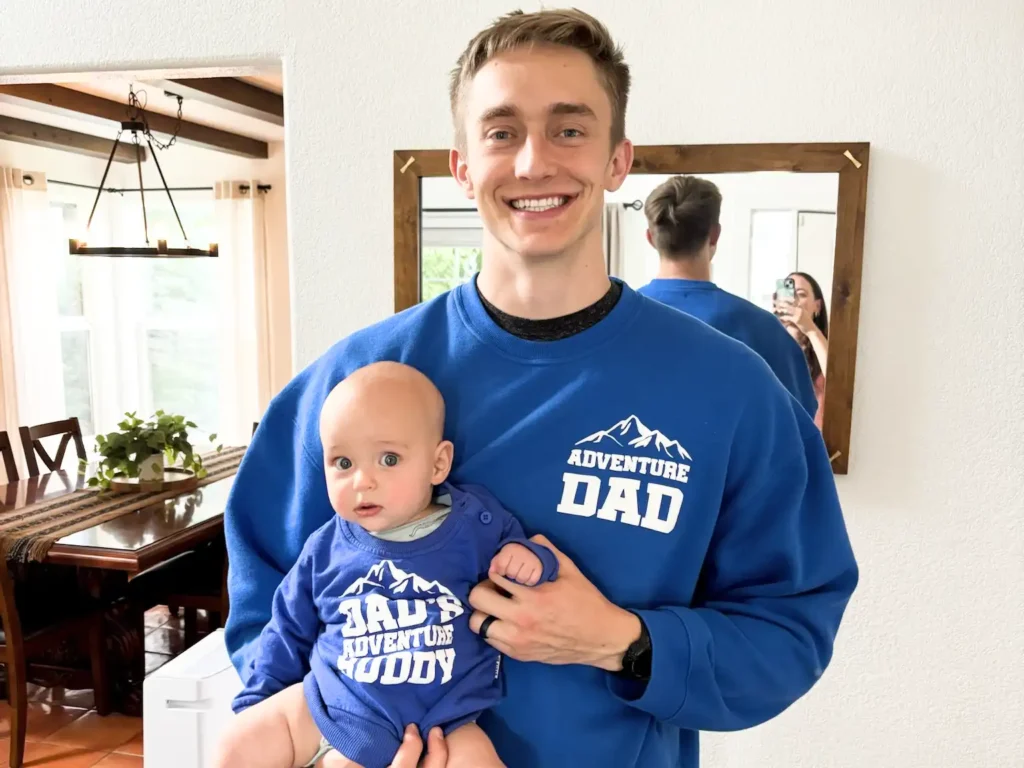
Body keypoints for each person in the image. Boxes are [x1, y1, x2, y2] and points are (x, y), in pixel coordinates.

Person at [224, 8, 858, 768]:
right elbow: (270, 611)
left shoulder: (730, 391)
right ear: (462, 167)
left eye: (569, 129)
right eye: (500, 132)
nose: (533, 163)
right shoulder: (353, 383)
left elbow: (790, 629)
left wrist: (623, 641)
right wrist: (331, 751)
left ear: (619, 160)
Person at [215, 362, 557, 768]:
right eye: (343, 463)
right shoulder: (324, 547)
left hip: (442, 726)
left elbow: (529, 556)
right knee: (234, 746)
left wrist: (532, 560)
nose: (362, 480)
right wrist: (258, 703)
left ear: (437, 464)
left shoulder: (475, 524)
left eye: (389, 459)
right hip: (326, 708)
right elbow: (286, 629)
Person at [637, 175, 819, 420]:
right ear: (714, 235)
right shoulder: (763, 330)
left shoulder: (613, 321)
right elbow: (799, 426)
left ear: (650, 238)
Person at [775, 271, 829, 430]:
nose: (795, 301)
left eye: (801, 294)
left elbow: (838, 381)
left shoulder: (824, 347)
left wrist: (810, 329)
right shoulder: (769, 344)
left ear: (817, 306)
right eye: (789, 294)